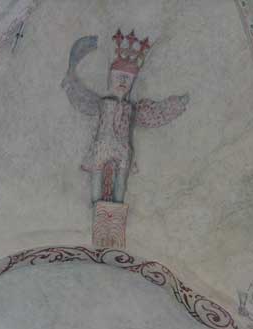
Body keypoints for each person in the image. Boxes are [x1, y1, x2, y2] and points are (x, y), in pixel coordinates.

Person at [62, 30, 189, 204]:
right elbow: (83, 100)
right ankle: (96, 208)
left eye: (128, 78)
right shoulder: (102, 103)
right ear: (110, 77)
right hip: (103, 145)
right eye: (119, 76)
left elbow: (154, 113)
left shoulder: (133, 108)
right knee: (97, 180)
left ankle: (116, 210)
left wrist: (176, 104)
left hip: (122, 149)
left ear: (133, 81)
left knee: (121, 184)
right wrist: (71, 80)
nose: (123, 81)